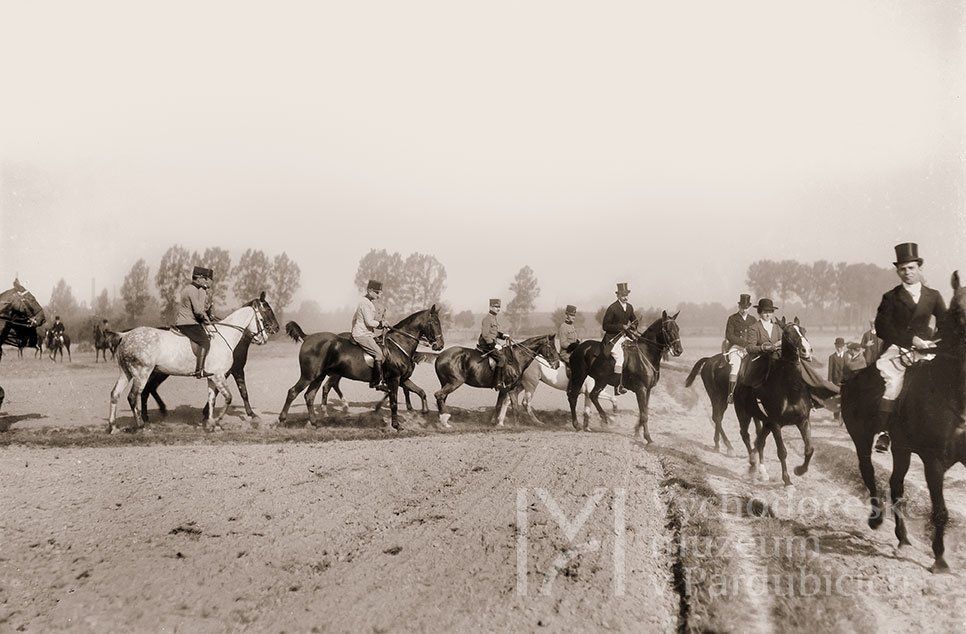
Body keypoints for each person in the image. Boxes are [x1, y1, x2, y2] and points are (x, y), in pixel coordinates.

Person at [872, 243, 946, 453]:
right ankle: (884, 432)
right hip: (898, 348)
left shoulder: (933, 295)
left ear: (919, 268)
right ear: (898, 271)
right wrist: (911, 340)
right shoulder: (891, 297)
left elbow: (945, 323)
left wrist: (934, 341)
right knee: (894, 384)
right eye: (902, 269)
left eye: (911, 268)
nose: (907, 272)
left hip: (927, 348)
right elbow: (882, 327)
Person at [176, 266, 215, 378]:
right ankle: (199, 370)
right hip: (189, 323)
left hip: (183, 321)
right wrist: (208, 321)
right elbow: (198, 312)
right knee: (205, 342)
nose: (205, 281)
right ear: (199, 278)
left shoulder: (187, 289)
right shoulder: (193, 290)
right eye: (204, 279)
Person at [351, 280, 389, 392]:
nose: (379, 295)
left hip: (367, 333)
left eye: (379, 293)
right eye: (377, 293)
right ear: (369, 290)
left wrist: (381, 322)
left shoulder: (369, 303)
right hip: (362, 334)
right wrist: (381, 324)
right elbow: (369, 322)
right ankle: (376, 382)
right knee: (378, 353)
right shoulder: (365, 303)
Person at [601, 282, 637, 395]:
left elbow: (634, 320)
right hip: (613, 339)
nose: (625, 297)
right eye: (623, 295)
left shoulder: (629, 307)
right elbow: (605, 326)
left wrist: (634, 326)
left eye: (626, 295)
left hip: (625, 337)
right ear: (618, 295)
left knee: (637, 350)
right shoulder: (612, 308)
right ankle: (618, 386)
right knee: (620, 358)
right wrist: (621, 326)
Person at [724, 293, 756, 403]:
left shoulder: (753, 320)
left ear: (749, 307)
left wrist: (751, 344)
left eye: (746, 307)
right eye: (742, 307)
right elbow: (729, 335)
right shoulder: (732, 318)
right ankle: (731, 393)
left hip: (750, 348)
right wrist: (743, 343)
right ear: (739, 306)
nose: (744, 310)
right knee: (735, 366)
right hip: (736, 347)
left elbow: (755, 334)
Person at [479, 298, 513, 390]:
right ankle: (497, 382)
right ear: (490, 307)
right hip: (486, 344)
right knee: (502, 359)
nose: (498, 309)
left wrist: (503, 335)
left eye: (499, 307)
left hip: (491, 342)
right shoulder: (487, 319)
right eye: (496, 307)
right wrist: (493, 345)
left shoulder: (493, 318)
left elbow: (493, 333)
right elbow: (485, 335)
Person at [828, 337, 847, 420]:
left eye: (841, 347)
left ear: (844, 347)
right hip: (835, 381)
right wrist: (830, 381)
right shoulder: (832, 357)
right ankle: (836, 416)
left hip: (845, 382)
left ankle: (844, 416)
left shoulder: (847, 356)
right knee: (836, 398)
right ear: (835, 346)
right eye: (838, 347)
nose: (839, 349)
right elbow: (830, 369)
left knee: (844, 398)